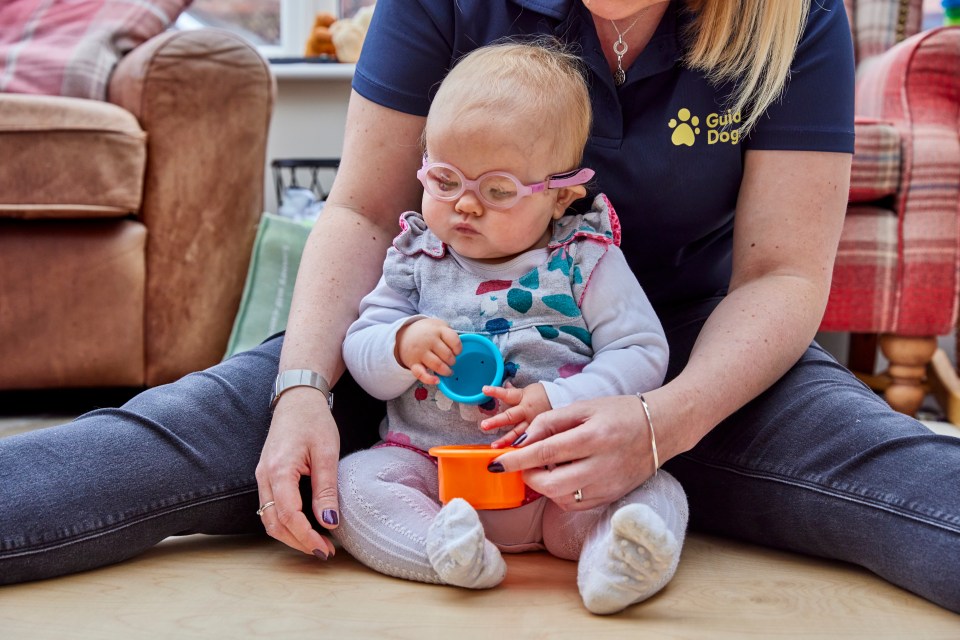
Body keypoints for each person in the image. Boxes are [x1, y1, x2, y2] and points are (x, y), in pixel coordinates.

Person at [2, 0, 959, 616]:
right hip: (419, 344)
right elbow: (364, 208)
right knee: (163, 438)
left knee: (908, 483)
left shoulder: (795, 19)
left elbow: (783, 277)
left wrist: (660, 423)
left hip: (701, 365)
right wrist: (301, 391)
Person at [333, 41, 686, 614]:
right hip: (433, 472)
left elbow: (642, 351)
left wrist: (561, 397)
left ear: (560, 198)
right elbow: (362, 356)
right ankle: (445, 551)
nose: (464, 206)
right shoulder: (417, 259)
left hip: (560, 477)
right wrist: (399, 345)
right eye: (445, 180)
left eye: (496, 190)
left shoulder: (584, 259)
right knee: (355, 483)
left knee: (651, 486)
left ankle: (616, 562)